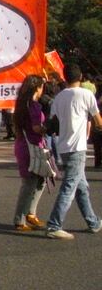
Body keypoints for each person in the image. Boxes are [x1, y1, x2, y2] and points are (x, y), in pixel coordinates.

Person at [45, 64, 102, 240]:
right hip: (77, 146)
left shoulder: (58, 98)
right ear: (81, 76)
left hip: (63, 147)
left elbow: (52, 122)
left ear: (65, 78)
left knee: (81, 186)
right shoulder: (86, 94)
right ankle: (54, 225)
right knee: (70, 187)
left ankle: (93, 221)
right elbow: (98, 120)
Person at [12, 75, 48, 231]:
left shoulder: (21, 104)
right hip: (32, 146)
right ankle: (20, 218)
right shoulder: (33, 106)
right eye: (41, 87)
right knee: (30, 182)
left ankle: (30, 213)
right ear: (37, 88)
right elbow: (36, 128)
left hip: (24, 144)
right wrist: (50, 127)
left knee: (40, 179)